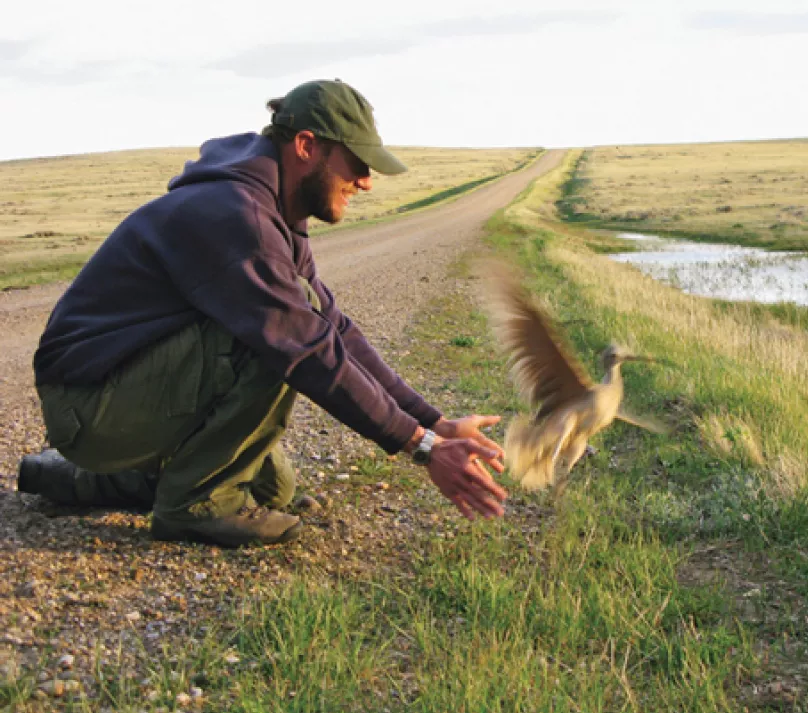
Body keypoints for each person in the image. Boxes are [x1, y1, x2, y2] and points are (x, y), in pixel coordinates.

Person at [17, 79, 509, 547]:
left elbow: (335, 329)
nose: (365, 182)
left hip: (117, 394)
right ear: (306, 146)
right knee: (272, 340)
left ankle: (92, 478)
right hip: (87, 403)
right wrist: (420, 448)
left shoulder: (277, 212)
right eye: (357, 163)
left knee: (272, 490)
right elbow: (308, 349)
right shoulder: (239, 215)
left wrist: (435, 422)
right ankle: (190, 504)